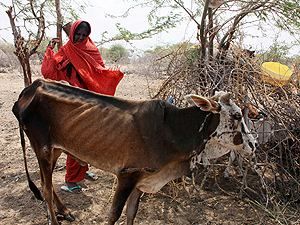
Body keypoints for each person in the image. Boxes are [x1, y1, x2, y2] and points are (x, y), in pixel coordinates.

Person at [41, 20, 124, 193]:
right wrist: (49, 50)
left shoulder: (91, 49)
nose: (80, 38)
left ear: (88, 35)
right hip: (73, 101)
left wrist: (106, 78)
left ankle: (83, 171)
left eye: (83, 35)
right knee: (77, 139)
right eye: (77, 34)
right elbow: (49, 72)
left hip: (91, 99)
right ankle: (71, 181)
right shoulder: (65, 50)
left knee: (90, 137)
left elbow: (98, 70)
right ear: (71, 34)